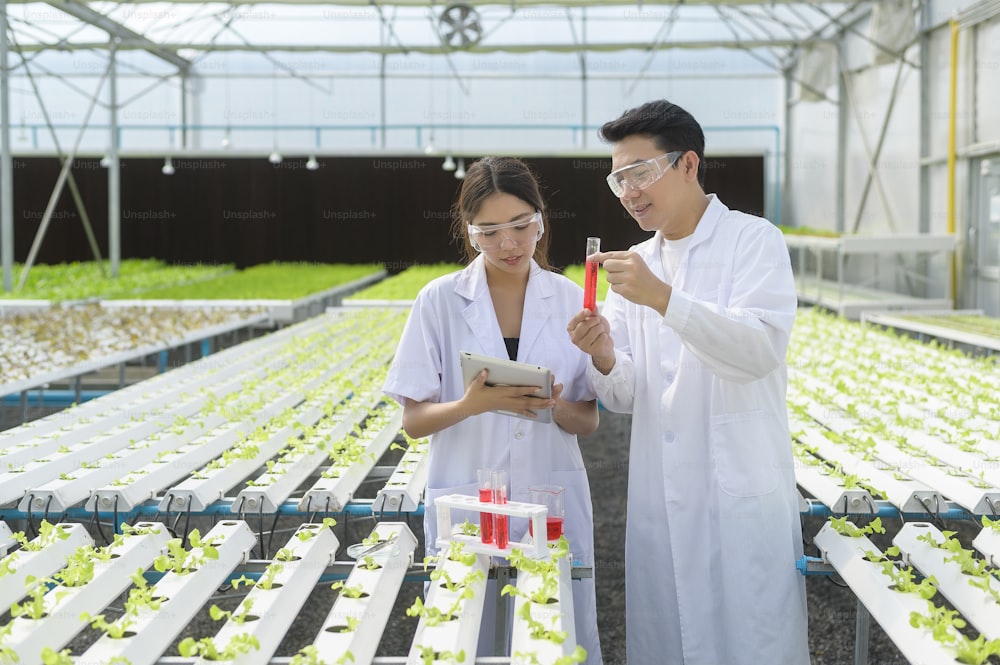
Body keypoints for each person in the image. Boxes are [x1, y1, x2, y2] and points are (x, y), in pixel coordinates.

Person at [567, 99, 810, 665]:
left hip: (738, 495)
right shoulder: (636, 264)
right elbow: (625, 394)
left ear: (688, 165)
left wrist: (662, 298)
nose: (628, 191)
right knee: (669, 639)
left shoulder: (753, 241)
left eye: (640, 173)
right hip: (662, 496)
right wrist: (602, 352)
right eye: (617, 179)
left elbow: (758, 350)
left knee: (750, 639)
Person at [383, 156, 603, 664]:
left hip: (550, 502)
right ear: (470, 233)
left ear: (541, 220)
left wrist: (553, 406)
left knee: (551, 638)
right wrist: (471, 404)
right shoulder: (438, 301)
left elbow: (587, 420)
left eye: (522, 226)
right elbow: (414, 423)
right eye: (490, 231)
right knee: (464, 637)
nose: (509, 244)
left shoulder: (572, 300)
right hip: (468, 501)